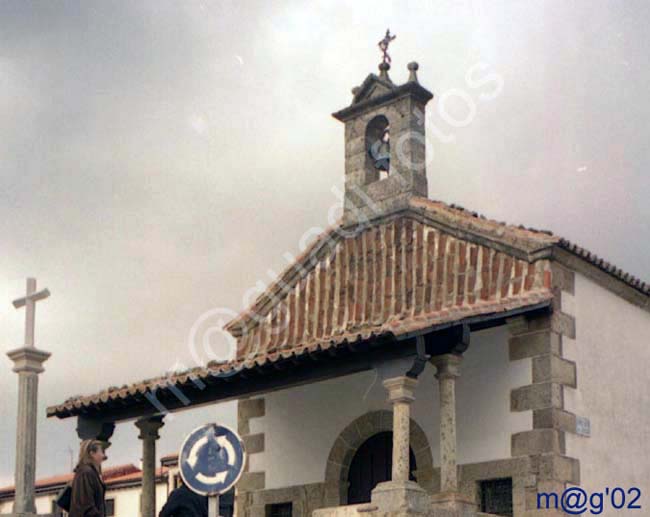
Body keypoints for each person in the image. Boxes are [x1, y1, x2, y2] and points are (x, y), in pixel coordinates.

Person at [68, 439, 107, 517]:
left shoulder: (87, 472)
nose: (103, 456)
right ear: (92, 453)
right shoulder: (86, 473)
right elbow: (87, 505)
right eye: (101, 451)